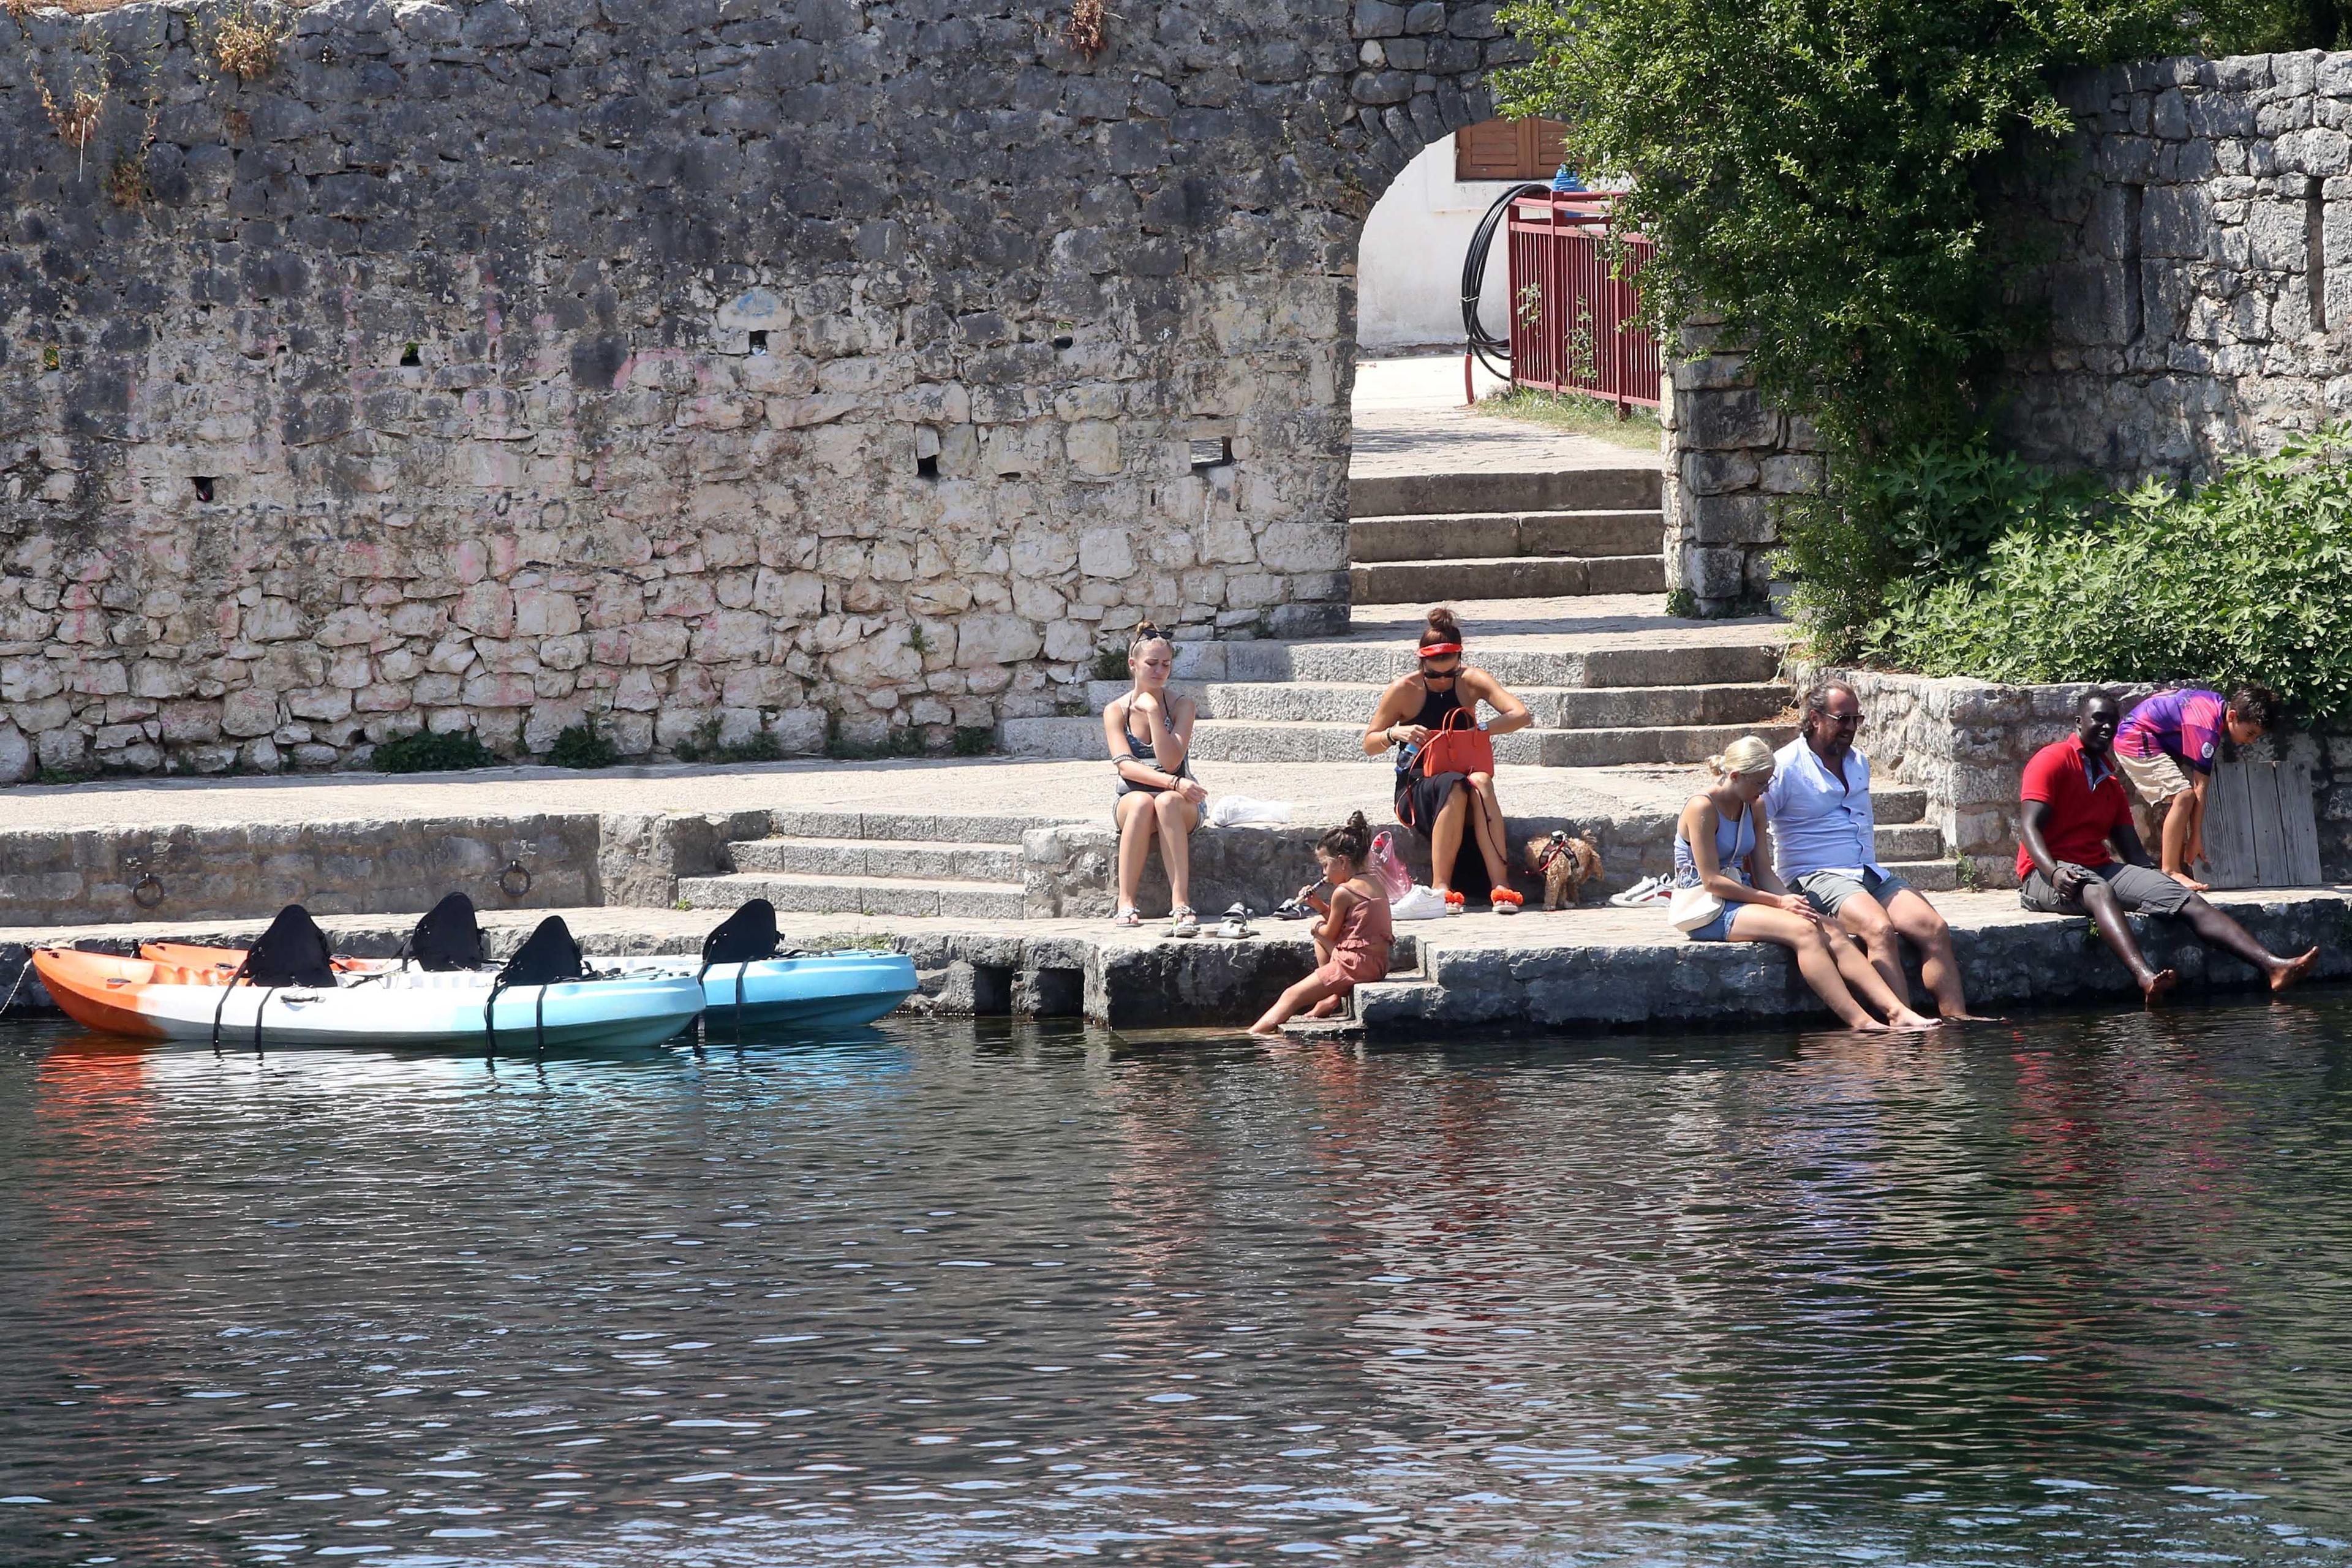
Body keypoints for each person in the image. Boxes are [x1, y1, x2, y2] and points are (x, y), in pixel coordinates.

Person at [2018, 690, 2317, 1003]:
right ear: (2079, 723)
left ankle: (2272, 966)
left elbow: (2132, 850)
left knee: (2176, 892)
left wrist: (2157, 882)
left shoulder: (2110, 783)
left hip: (2096, 869)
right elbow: (2029, 828)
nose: (2108, 728)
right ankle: (2145, 977)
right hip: (2043, 875)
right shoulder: (2052, 760)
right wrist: (2052, 873)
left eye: (2113, 722)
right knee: (2097, 891)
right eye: (2099, 720)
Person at [1675, 736, 1940, 1033]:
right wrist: (1778, 903)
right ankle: (1861, 1021)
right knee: (1804, 931)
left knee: (1830, 927)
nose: (1765, 790)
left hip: (1740, 897)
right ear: (1735, 776)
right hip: (1706, 908)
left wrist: (1792, 901)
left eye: (1768, 782)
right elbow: (1712, 882)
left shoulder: (1755, 806)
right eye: (1760, 783)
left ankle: (1897, 1011)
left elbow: (1763, 871)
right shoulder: (1702, 807)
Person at [1766, 680, 1989, 1022]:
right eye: (1843, 719)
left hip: (1865, 870)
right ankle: (1905, 1022)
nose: (1851, 728)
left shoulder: (1858, 762)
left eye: (1857, 718)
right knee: (1879, 928)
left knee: (1933, 927)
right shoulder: (1785, 766)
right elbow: (1751, 819)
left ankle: (1957, 1020)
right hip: (1813, 873)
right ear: (1814, 718)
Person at [1360, 607, 1531, 911]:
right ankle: (1442, 888)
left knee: (1481, 780)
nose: (1441, 680)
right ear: (1421, 662)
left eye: (1448, 674)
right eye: (1433, 674)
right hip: (1419, 786)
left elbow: (1520, 715)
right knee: (1454, 785)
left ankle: (1501, 885)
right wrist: (1395, 734)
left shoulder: (1471, 680)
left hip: (1464, 777)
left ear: (1459, 662)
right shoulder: (1405, 689)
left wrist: (1480, 729)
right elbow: (1369, 743)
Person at [2114, 683, 2278, 889]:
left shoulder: (2216, 705)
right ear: (2233, 716)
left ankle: (2173, 868)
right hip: (2134, 739)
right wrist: (2195, 839)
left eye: (2256, 736)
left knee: (2184, 796)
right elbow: (2201, 786)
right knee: (2184, 796)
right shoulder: (2205, 728)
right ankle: (2171, 870)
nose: (2251, 741)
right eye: (2250, 733)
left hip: (2149, 736)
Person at [1103, 622, 1207, 935]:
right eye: (1152, 664)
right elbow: (1126, 767)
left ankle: (1180, 903)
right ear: (1133, 665)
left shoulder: (1181, 705)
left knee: (1165, 803)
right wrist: (1174, 782)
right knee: (1139, 803)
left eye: (1166, 664)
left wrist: (1153, 714)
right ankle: (1126, 901)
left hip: (1178, 805)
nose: (1159, 671)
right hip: (1137, 798)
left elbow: (1171, 760)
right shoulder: (1115, 711)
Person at [1250, 812, 1393, 1035]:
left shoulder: (1343, 892)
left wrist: (1316, 927)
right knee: (1320, 939)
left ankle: (1253, 1037)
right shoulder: (1375, 883)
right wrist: (1319, 906)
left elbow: (1330, 931)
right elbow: (1348, 925)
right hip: (1378, 963)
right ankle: (1331, 996)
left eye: (1326, 865)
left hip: (1356, 966)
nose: (1324, 873)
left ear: (1343, 862)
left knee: (1291, 995)